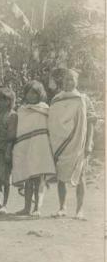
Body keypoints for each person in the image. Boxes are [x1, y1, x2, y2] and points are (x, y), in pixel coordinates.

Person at [48, 69, 97, 220]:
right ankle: (62, 207)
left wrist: (89, 142)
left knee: (80, 175)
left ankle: (79, 210)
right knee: (61, 176)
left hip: (79, 143)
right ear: (61, 82)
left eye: (71, 79)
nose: (68, 82)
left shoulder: (83, 99)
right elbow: (53, 123)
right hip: (60, 143)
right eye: (65, 80)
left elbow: (90, 122)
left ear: (77, 81)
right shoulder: (56, 99)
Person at [12, 80, 56, 217]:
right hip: (25, 148)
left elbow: (51, 128)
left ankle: (37, 208)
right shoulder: (21, 110)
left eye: (34, 93)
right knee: (28, 180)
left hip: (40, 148)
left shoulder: (45, 109)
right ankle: (26, 208)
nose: (31, 96)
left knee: (38, 180)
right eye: (28, 93)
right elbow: (20, 131)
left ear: (40, 94)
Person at [0, 88, 17, 214]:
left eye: (6, 100)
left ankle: (5, 204)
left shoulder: (13, 115)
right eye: (1, 99)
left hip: (6, 149)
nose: (3, 102)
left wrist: (8, 151)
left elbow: (11, 136)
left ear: (11, 101)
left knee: (5, 177)